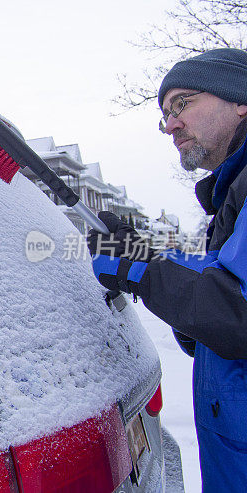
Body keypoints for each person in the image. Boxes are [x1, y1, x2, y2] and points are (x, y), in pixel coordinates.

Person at [86, 48, 247, 491]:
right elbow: (218, 301)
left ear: (240, 100)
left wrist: (138, 268)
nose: (171, 123)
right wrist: (148, 255)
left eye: (183, 103)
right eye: (165, 114)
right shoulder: (233, 195)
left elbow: (239, 316)